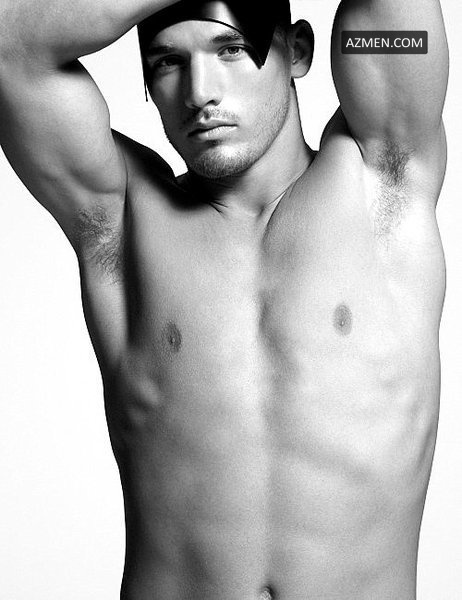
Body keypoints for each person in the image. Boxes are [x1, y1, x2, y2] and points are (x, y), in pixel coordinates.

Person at [0, 0, 449, 598]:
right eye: (167, 62)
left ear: (297, 51)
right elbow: (10, 48)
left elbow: (396, 20)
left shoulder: (384, 177)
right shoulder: (121, 222)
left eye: (230, 49)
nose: (200, 93)